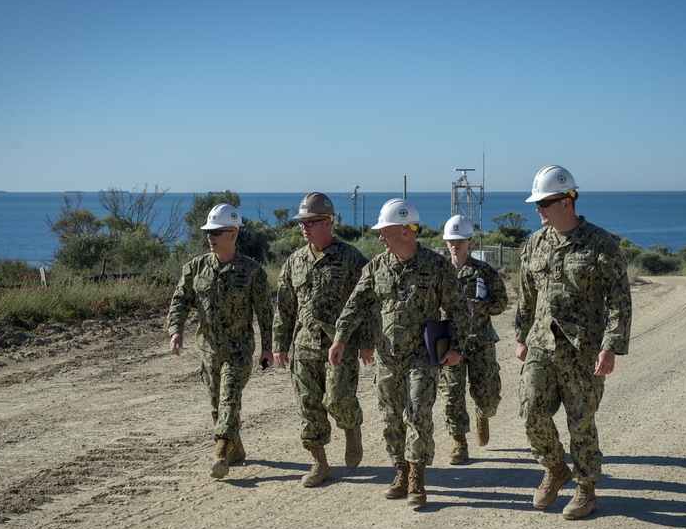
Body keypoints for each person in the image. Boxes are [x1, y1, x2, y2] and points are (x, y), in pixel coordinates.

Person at [328, 198, 469, 509]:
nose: (380, 237)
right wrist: (340, 339)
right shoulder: (376, 267)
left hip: (422, 356)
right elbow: (355, 306)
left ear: (406, 231)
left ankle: (418, 478)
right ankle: (401, 471)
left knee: (418, 415)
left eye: (386, 231)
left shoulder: (437, 266)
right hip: (388, 357)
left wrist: (457, 347)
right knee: (391, 419)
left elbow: (458, 310)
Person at [516, 165, 632, 519]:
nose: (538, 210)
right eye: (537, 203)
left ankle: (585, 487)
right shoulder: (535, 243)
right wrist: (521, 336)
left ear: (566, 201)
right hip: (541, 343)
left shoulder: (601, 243)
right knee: (531, 411)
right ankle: (554, 467)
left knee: (580, 420)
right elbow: (527, 294)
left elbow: (619, 298)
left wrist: (610, 346)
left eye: (544, 203)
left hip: (583, 347)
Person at [273, 192, 376, 487]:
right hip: (304, 345)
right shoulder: (294, 262)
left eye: (311, 222)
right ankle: (319, 462)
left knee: (338, 399)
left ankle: (351, 427)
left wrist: (368, 341)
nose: (304, 228)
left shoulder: (351, 258)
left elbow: (367, 301)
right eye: (301, 223)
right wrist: (279, 345)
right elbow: (284, 307)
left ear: (328, 222)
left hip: (340, 345)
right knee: (308, 404)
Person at [167, 203, 274, 480]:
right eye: (208, 232)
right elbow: (180, 300)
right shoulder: (195, 268)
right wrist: (175, 330)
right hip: (208, 349)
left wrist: (267, 348)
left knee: (229, 399)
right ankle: (235, 448)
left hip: (238, 350)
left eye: (216, 231)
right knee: (217, 404)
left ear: (233, 234)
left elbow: (265, 312)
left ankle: (220, 454)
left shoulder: (252, 271)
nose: (210, 237)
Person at [438, 215, 508, 464]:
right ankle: (459, 442)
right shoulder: (438, 271)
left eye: (460, 240)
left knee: (488, 396)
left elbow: (501, 303)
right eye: (450, 241)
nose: (454, 245)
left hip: (479, 341)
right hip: (447, 342)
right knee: (451, 394)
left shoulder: (484, 271)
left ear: (469, 241)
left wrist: (476, 306)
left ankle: (483, 414)